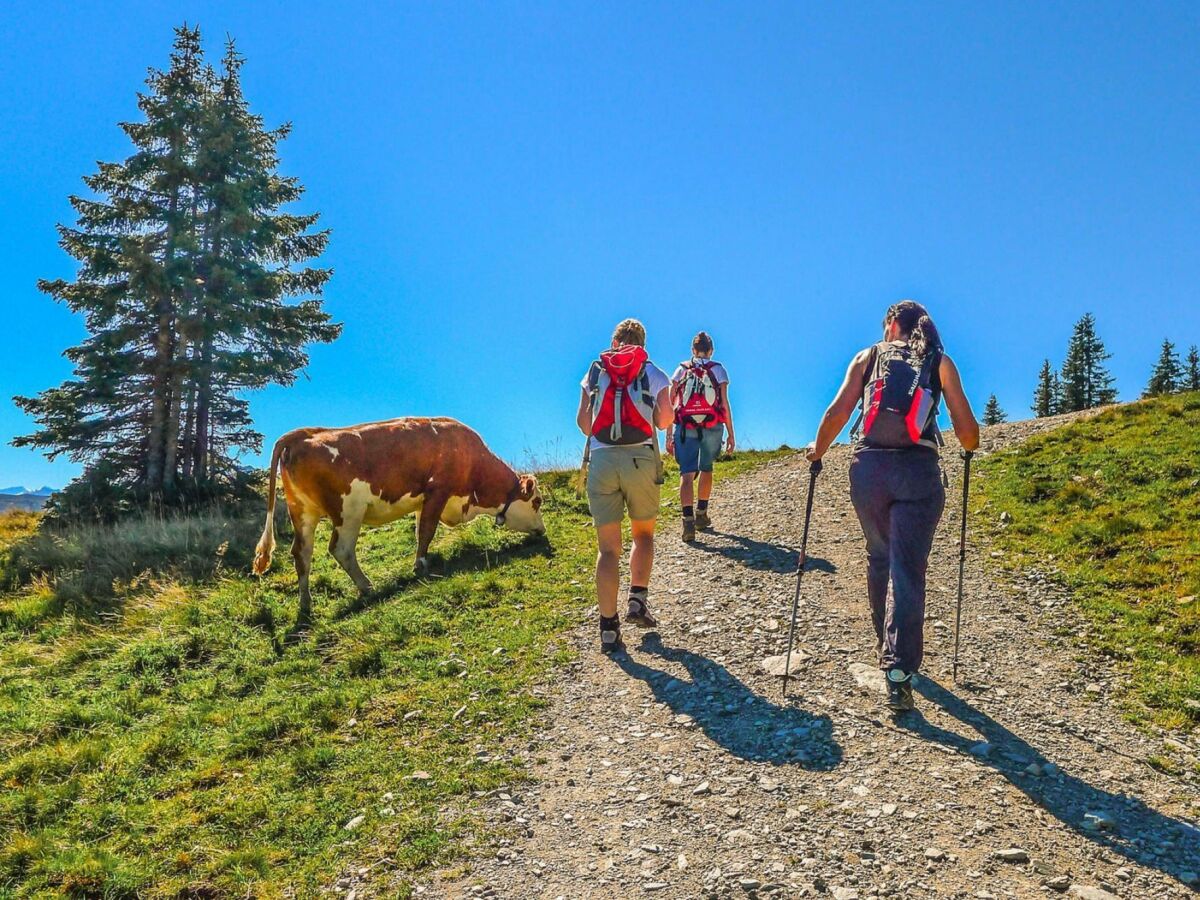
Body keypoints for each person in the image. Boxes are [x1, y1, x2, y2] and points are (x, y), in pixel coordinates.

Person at [805, 301, 979, 712]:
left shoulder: (868, 356)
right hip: (918, 471)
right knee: (908, 566)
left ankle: (885, 641)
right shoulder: (939, 362)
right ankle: (899, 671)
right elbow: (968, 434)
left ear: (890, 324)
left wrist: (818, 452)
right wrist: (970, 445)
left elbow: (838, 410)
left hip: (870, 471)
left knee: (879, 555)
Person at [577, 318, 674, 653]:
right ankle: (637, 599)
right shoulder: (654, 373)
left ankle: (608, 630)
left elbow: (584, 425)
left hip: (602, 462)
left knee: (607, 550)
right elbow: (663, 421)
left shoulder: (594, 372)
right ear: (643, 343)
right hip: (641, 458)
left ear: (614, 341)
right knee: (643, 535)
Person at [666, 331, 736, 542]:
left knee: (686, 474)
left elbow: (671, 404)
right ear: (711, 351)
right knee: (706, 468)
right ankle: (701, 514)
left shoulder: (681, 370)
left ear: (693, 350)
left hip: (685, 426)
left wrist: (668, 434)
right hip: (712, 425)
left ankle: (687, 522)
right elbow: (724, 403)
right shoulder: (718, 370)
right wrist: (731, 433)